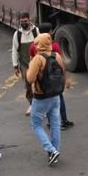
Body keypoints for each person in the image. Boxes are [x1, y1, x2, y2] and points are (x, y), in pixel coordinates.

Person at [26, 33, 67, 166]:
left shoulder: (38, 59)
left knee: (36, 124)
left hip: (41, 96)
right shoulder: (57, 55)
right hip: (56, 95)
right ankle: (54, 151)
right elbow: (63, 72)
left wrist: (29, 68)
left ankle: (51, 150)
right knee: (55, 124)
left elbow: (30, 79)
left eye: (37, 43)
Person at [33, 23, 75, 130]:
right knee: (59, 99)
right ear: (50, 32)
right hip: (55, 78)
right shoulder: (54, 45)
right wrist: (65, 79)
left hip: (42, 80)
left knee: (47, 101)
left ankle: (51, 123)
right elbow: (61, 64)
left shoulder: (33, 46)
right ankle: (64, 121)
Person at [12, 13, 40, 116]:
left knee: (39, 84)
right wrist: (15, 66)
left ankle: (41, 106)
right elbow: (15, 50)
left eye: (25, 21)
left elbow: (41, 45)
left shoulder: (36, 31)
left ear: (29, 20)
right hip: (24, 65)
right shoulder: (17, 35)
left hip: (37, 63)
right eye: (22, 21)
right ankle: (32, 104)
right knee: (28, 86)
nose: (24, 23)